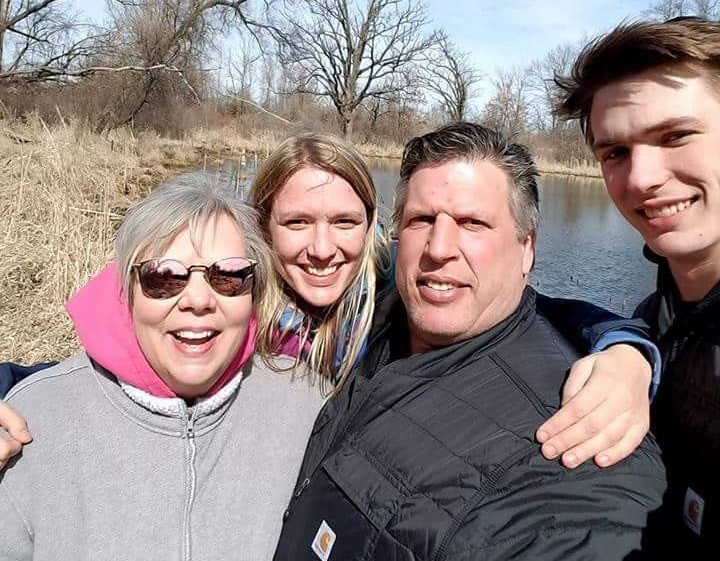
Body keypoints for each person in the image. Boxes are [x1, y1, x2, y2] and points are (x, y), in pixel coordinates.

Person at [0, 135, 657, 472]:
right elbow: (97, 373)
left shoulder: (391, 300)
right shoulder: (226, 302)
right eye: (296, 224)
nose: (322, 249)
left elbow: (541, 312)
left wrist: (627, 351)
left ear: (374, 227)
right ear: (261, 227)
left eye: (344, 222)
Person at [273, 122, 666, 560]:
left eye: (472, 223)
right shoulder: (381, 312)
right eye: (422, 220)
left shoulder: (582, 426)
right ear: (396, 234)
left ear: (527, 248)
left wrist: (630, 348)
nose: (439, 248)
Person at [0, 171, 325, 560]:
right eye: (164, 277)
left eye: (229, 276)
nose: (198, 300)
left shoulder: (307, 406)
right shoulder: (34, 420)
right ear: (127, 293)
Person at [554, 16, 720, 557]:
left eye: (675, 136)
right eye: (615, 153)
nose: (642, 178)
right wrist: (629, 346)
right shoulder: (659, 319)